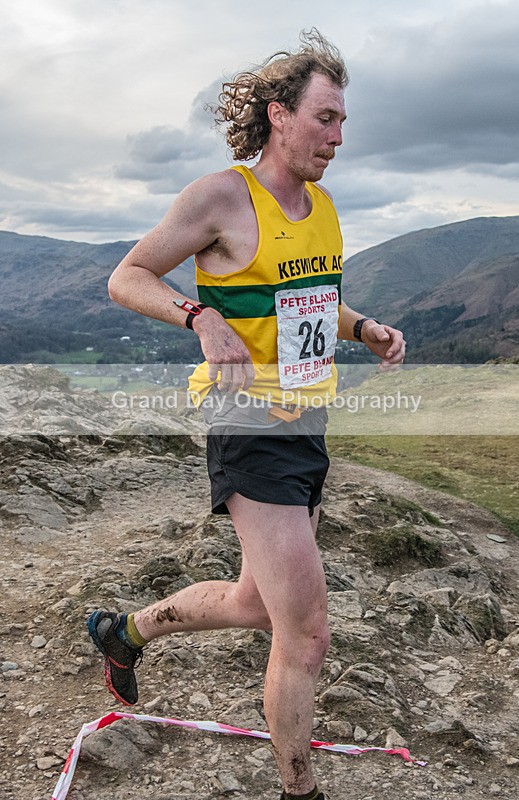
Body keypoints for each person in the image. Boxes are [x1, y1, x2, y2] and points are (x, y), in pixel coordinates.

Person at [87, 29, 405, 800]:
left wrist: (360, 328)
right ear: (278, 114)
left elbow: (312, 301)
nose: (337, 136)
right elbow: (125, 277)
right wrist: (198, 316)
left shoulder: (323, 207)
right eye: (324, 117)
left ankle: (123, 632)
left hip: (305, 423)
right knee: (306, 632)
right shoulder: (222, 196)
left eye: (341, 122)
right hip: (247, 423)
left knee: (254, 604)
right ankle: (300, 791)